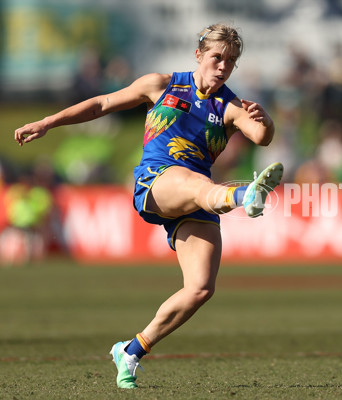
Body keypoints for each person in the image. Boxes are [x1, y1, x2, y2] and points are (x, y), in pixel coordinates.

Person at [14, 23, 284, 389]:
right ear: (199, 54)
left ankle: (131, 350)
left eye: (231, 62)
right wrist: (49, 122)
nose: (223, 67)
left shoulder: (231, 105)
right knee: (198, 184)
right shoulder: (163, 84)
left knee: (201, 288)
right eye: (217, 57)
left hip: (197, 198)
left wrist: (265, 122)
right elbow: (101, 104)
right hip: (157, 181)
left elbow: (260, 137)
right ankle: (243, 195)